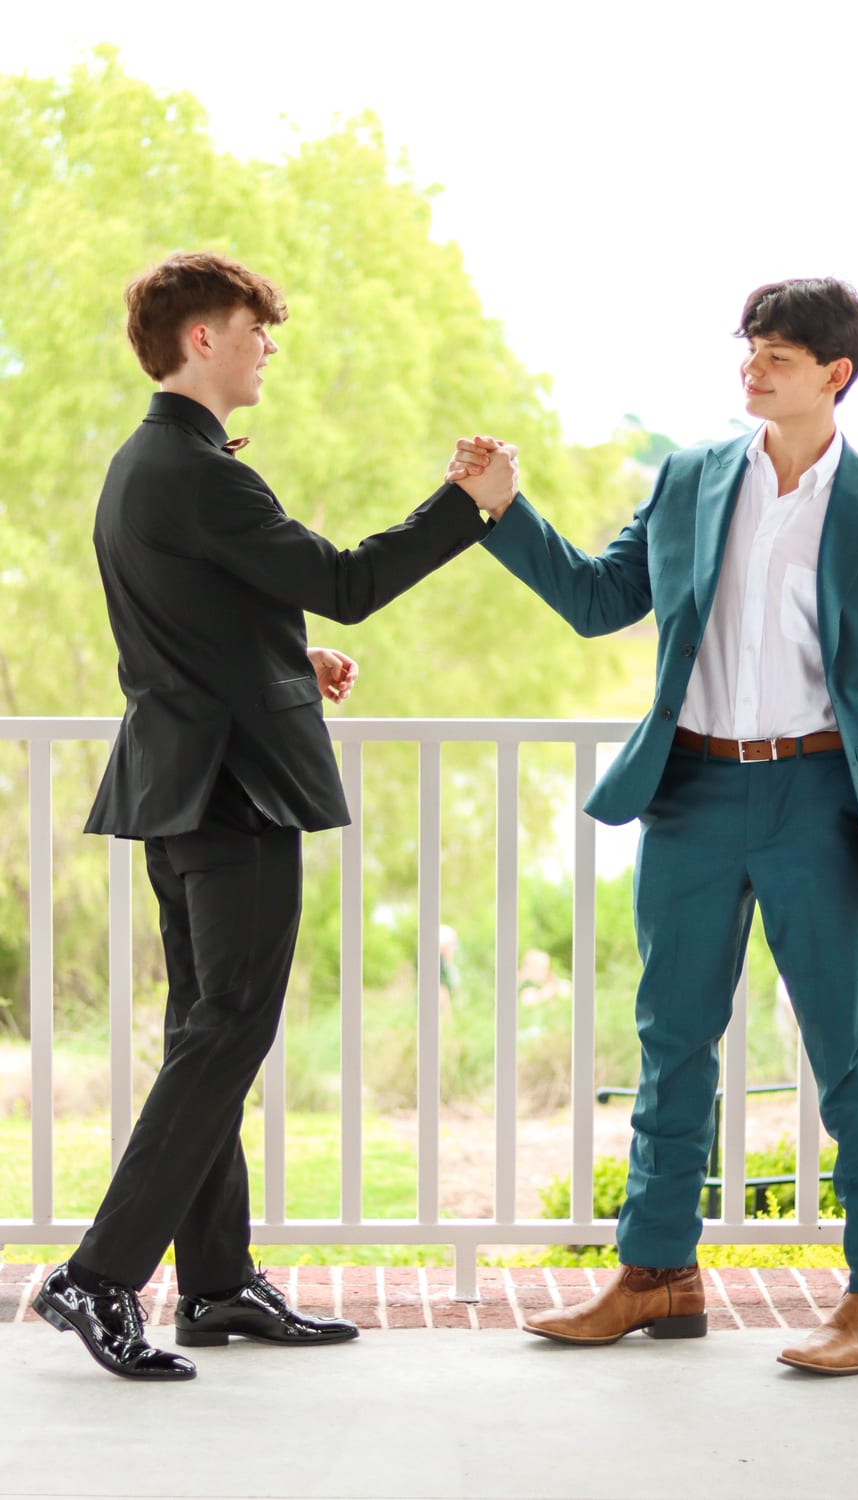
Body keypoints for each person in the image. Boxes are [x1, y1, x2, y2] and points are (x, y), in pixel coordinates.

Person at [450, 278, 858, 1375]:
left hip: (815, 801)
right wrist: (501, 506)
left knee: (846, 1049)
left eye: (777, 356)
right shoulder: (687, 479)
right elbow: (597, 600)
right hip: (686, 791)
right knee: (671, 1037)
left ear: (835, 375)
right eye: (749, 350)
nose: (752, 369)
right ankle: (656, 1275)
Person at [33, 251, 515, 1381]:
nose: (268, 347)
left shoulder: (145, 464)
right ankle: (100, 1277)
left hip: (182, 781)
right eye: (256, 329)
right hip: (231, 787)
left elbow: (185, 620)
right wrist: (469, 508)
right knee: (228, 1030)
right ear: (202, 339)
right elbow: (346, 576)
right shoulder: (201, 472)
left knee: (208, 1030)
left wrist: (291, 653)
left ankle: (213, 1285)